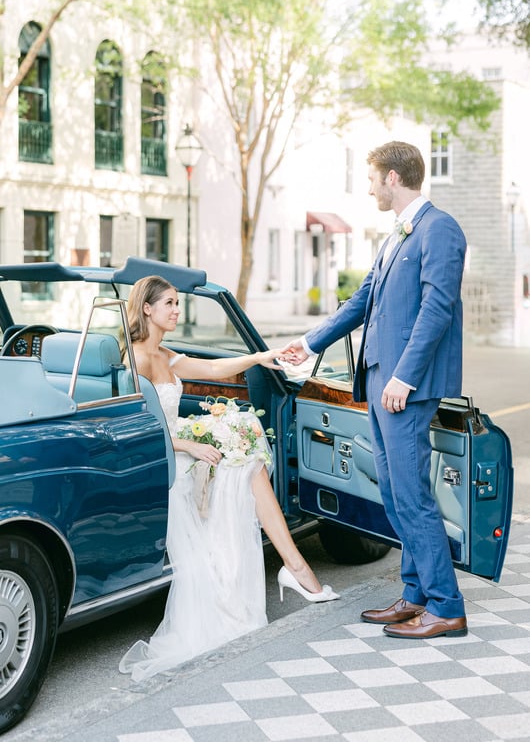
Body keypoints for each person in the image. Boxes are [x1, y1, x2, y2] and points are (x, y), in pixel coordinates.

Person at [281, 140, 468, 640]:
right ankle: (415, 595)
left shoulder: (439, 228)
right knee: (393, 493)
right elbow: (363, 299)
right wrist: (308, 341)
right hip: (383, 380)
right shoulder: (395, 237)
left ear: (391, 177)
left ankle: (446, 606)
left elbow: (437, 308)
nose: (367, 188)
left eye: (370, 178)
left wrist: (405, 376)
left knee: (411, 495)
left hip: (407, 382)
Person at [119, 275, 338, 682]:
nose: (176, 310)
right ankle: (297, 568)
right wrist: (190, 445)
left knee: (249, 455)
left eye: (177, 303)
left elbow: (216, 367)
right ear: (147, 308)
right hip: (163, 462)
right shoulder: (135, 360)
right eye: (169, 303)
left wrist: (259, 358)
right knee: (246, 465)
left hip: (181, 448)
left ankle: (295, 566)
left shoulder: (165, 355)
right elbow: (142, 426)